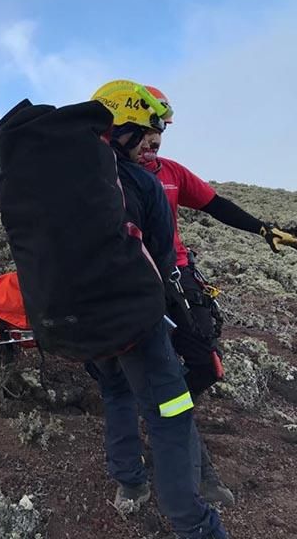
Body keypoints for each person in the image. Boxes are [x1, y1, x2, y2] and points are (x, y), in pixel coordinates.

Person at [137, 84, 297, 504]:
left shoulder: (172, 173)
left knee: (206, 366)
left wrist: (263, 229)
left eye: (160, 128)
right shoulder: (105, 175)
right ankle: (189, 460)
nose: (155, 137)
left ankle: (167, 418)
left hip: (179, 278)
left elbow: (216, 204)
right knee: (158, 369)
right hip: (135, 281)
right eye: (147, 127)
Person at [89, 80, 227, 539]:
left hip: (85, 313)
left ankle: (129, 483)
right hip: (139, 315)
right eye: (150, 131)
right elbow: (162, 261)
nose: (155, 142)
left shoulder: (68, 174)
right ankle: (195, 523)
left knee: (115, 393)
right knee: (172, 410)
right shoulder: (143, 182)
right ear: (123, 127)